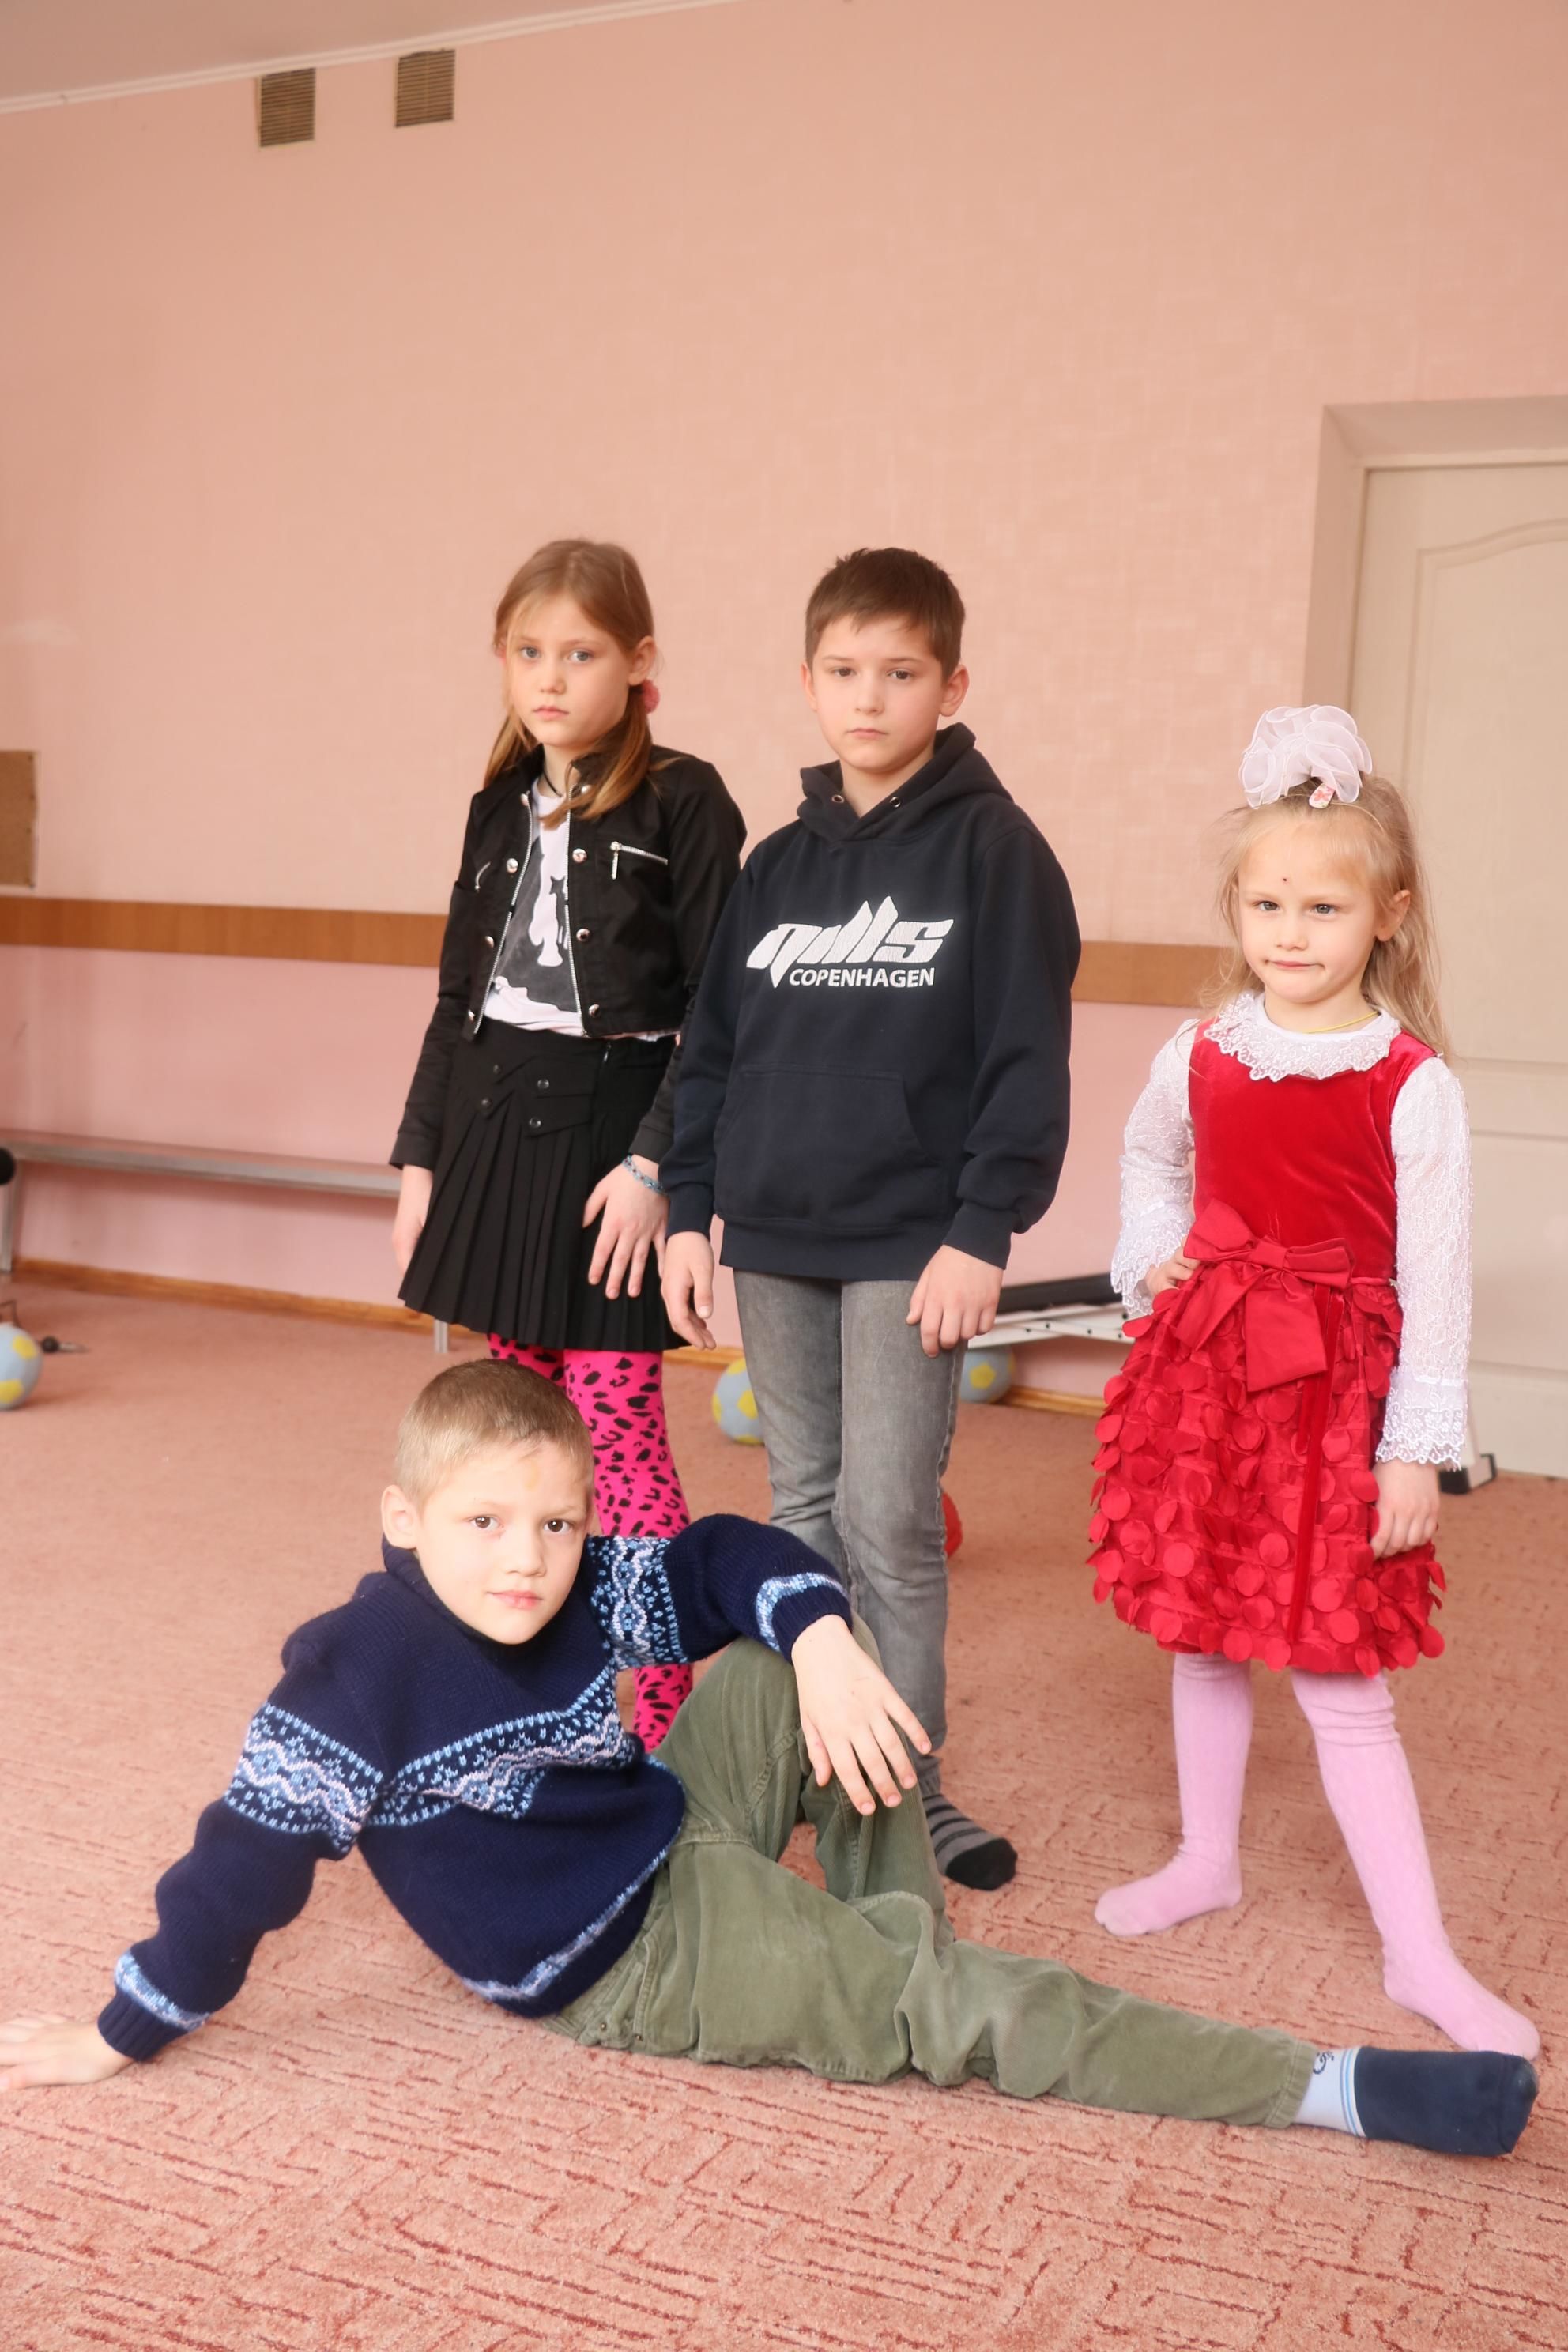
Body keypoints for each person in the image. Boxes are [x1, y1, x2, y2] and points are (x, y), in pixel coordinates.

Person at [0, 1360, 1537, 2162]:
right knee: (959, 2005)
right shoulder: (353, 1678)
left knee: (800, 1656)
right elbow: (239, 1870)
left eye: (555, 1523)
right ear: (401, 1520)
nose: (526, 1561)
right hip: (625, 1958)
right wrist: (123, 2029)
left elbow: (726, 1552)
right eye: (482, 1524)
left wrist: (817, 1640)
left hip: (664, 1817)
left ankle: (889, 1945)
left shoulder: (577, 1580)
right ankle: (1321, 2087)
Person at [1087, 705, 1539, 2061]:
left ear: (1388, 917)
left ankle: (1419, 1953)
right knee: (1203, 1628)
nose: (1290, 932)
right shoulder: (1199, 1049)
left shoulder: (1412, 1083)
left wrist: (1417, 1447)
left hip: (1340, 1400)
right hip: (1210, 1377)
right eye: (1267, 904)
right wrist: (1156, 1257)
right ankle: (1206, 1858)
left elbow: (1438, 1280)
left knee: (1341, 1673)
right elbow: (1150, 1159)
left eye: (1324, 907)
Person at [660, 548, 1078, 1890]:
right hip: (775, 1234)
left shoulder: (998, 853)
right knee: (802, 1511)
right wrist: (689, 1211)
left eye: (900, 673)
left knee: (890, 1518)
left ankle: (909, 1793)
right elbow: (712, 1054)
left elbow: (1026, 1059)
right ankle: (812, 1758)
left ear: (952, 686)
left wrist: (983, 1228)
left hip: (913, 1241)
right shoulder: (776, 865)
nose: (869, 698)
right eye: (844, 672)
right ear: (807, 681)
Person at [391, 539, 745, 1750]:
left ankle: (664, 1712)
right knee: (518, 1436)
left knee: (618, 1427)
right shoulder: (496, 802)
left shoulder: (686, 798)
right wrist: (421, 1161)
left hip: (612, 1139)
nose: (551, 677)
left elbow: (717, 1009)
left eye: (581, 653)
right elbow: (459, 1000)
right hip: (494, 1136)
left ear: (639, 662)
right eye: (529, 652)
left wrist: (655, 1168)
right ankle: (538, 1683)